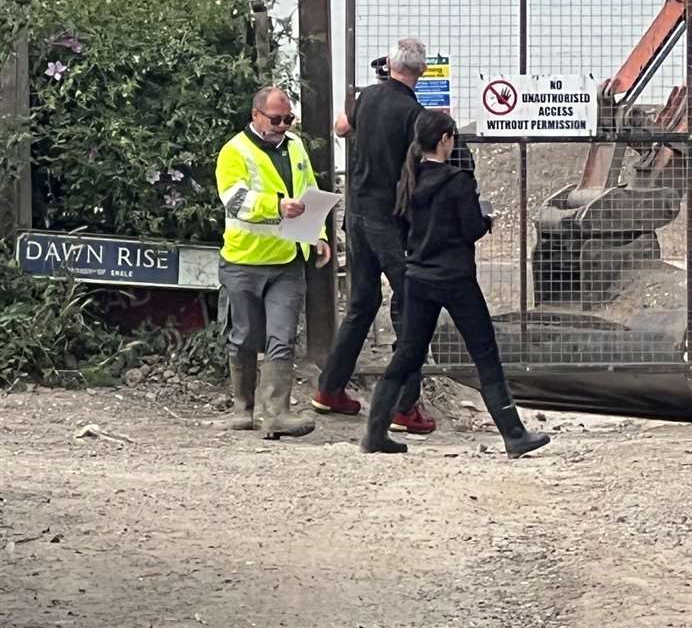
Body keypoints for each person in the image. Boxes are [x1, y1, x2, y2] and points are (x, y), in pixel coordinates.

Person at [361, 110, 549, 459]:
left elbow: (402, 227)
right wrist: (487, 219)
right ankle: (514, 434)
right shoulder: (459, 182)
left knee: (407, 355)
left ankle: (375, 432)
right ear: (446, 140)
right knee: (485, 355)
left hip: (418, 278)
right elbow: (471, 229)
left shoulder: (409, 179)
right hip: (456, 280)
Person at [312, 39, 438, 435]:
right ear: (421, 72)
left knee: (362, 303)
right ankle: (404, 406)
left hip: (358, 214)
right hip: (390, 220)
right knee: (411, 306)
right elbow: (424, 167)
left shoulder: (365, 98)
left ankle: (330, 389)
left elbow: (341, 127)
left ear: (388, 64)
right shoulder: (414, 115)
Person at [213, 86, 331, 438]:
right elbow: (234, 200)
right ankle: (242, 409)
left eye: (288, 119)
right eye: (276, 119)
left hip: (287, 259)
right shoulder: (234, 152)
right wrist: (276, 206)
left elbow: (310, 190)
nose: (283, 125)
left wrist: (319, 235)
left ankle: (277, 412)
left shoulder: (295, 147)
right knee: (245, 336)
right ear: (256, 115)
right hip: (244, 259)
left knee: (282, 338)